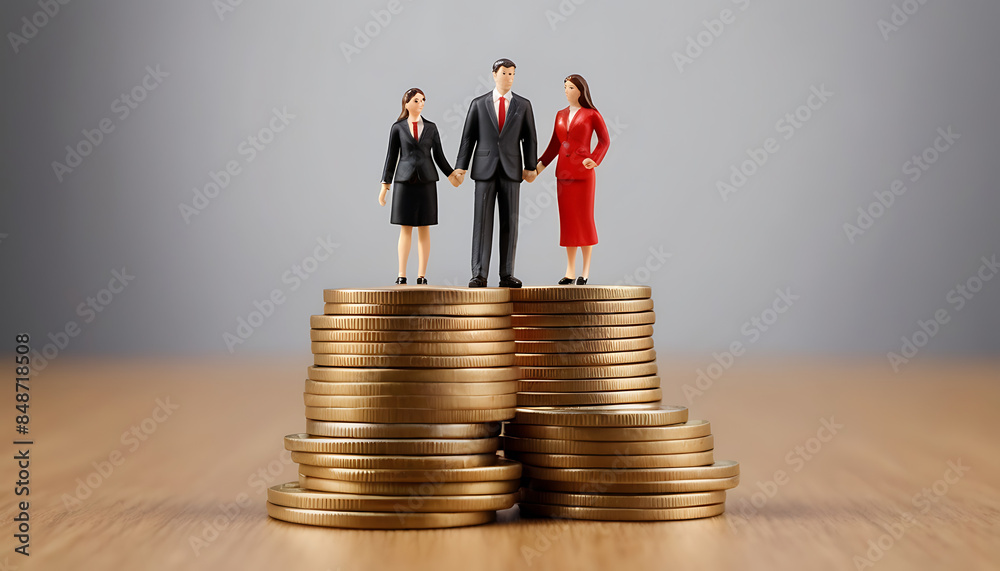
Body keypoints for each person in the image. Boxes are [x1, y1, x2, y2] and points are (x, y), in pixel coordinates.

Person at [454, 58, 538, 288]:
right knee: (482, 222)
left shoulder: (523, 105)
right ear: (494, 74)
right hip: (484, 169)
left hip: (512, 170)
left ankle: (507, 273)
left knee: (510, 223)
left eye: (512, 74)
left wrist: (531, 167)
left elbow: (529, 138)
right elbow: (468, 137)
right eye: (504, 73)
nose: (508, 78)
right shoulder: (478, 104)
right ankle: (478, 273)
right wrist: (461, 166)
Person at [379, 88, 461, 285]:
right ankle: (401, 274)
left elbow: (439, 155)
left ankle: (422, 275)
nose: (421, 103)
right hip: (404, 181)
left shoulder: (431, 128)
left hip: (426, 180)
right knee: (405, 228)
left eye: (423, 100)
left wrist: (451, 174)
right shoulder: (397, 128)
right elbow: (391, 157)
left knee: (425, 228)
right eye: (416, 100)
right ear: (406, 104)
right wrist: (385, 185)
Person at [535, 74, 610, 285]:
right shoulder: (559, 115)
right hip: (564, 175)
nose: (567, 91)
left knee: (584, 220)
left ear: (580, 90)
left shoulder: (592, 114)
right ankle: (570, 270)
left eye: (570, 88)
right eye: (565, 87)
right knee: (568, 222)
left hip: (584, 174)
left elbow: (604, 141)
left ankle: (585, 271)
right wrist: (537, 168)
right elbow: (553, 146)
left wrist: (594, 159)